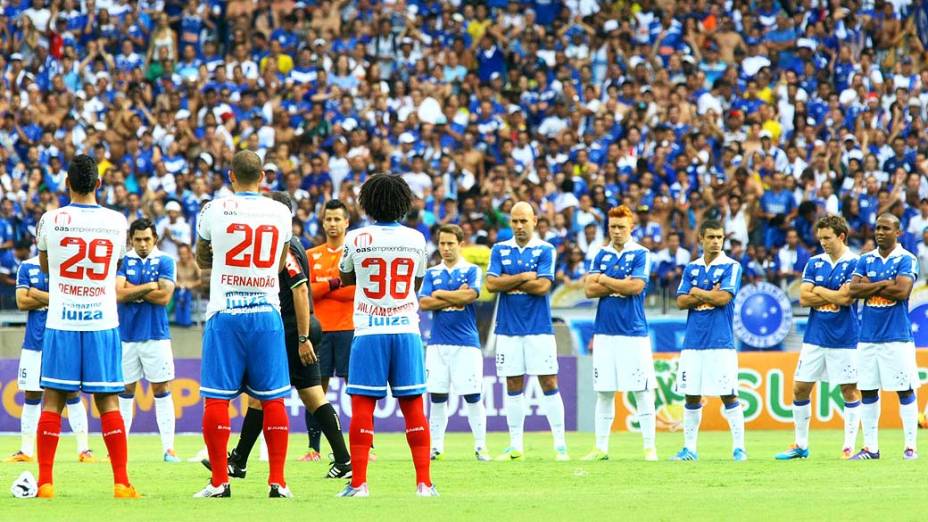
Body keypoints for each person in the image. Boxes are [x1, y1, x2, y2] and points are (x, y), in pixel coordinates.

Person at [204, 191, 352, 481]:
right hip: (300, 325)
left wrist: (302, 337)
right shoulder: (292, 244)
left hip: (292, 327)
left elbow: (300, 289)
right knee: (307, 396)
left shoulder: (287, 248)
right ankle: (342, 459)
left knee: (268, 396)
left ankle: (240, 461)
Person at [27, 154, 138, 498]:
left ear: (67, 183)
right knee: (108, 402)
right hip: (102, 320)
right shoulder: (117, 222)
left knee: (53, 401)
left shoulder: (50, 219)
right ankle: (121, 483)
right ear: (99, 184)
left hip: (61, 320)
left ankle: (45, 483)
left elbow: (45, 266)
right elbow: (115, 265)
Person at [194, 150, 294, 498]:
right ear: (263, 177)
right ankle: (278, 482)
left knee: (217, 399)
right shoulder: (281, 212)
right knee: (274, 398)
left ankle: (220, 481)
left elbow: (202, 257)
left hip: (225, 313)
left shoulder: (214, 209)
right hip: (266, 311)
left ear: (230, 176)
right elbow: (280, 263)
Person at [336, 174, 434, 497]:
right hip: (406, 329)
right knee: (414, 407)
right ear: (404, 202)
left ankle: (359, 484)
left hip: (369, 330)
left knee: (363, 406)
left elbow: (346, 275)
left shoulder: (356, 238)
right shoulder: (417, 239)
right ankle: (424, 483)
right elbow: (416, 283)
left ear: (368, 204)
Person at [487, 201, 568, 461]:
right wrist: (524, 277)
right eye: (515, 221)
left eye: (524, 221)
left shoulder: (546, 249)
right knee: (512, 383)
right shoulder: (499, 249)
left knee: (548, 381)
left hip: (539, 329)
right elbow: (491, 284)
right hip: (508, 329)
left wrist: (508, 281)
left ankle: (560, 445)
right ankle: (515, 445)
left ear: (535, 221)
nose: (519, 226)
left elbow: (543, 286)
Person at [775, 215, 861, 460]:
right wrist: (832, 293)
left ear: (841, 236)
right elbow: (803, 298)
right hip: (814, 337)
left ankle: (848, 446)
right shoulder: (814, 262)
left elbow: (847, 299)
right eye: (820, 237)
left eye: (827, 237)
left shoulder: (855, 263)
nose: (823, 242)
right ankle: (801, 445)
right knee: (800, 388)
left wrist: (820, 291)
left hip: (844, 337)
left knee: (849, 390)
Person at [582, 205, 657, 461]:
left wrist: (604, 280)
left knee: (642, 391)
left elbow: (635, 287)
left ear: (631, 227)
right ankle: (601, 448)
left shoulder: (641, 253)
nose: (616, 231)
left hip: (633, 333)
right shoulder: (600, 254)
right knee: (603, 391)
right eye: (612, 227)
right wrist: (616, 284)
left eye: (621, 227)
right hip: (604, 332)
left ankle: (649, 448)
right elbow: (588, 290)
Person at [7, 250, 95, 464]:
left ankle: (84, 450)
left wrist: (36, 293)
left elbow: (71, 300)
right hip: (34, 342)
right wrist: (54, 298)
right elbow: (21, 302)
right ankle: (26, 451)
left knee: (72, 393)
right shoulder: (27, 266)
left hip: (63, 340)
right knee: (31, 395)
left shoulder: (67, 266)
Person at [847, 213, 920, 460]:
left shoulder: (907, 259)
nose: (879, 232)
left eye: (885, 228)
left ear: (897, 232)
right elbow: (853, 290)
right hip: (867, 338)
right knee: (867, 391)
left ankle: (910, 447)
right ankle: (871, 448)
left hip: (897, 337)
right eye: (877, 228)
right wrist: (883, 283)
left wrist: (872, 284)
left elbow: (902, 291)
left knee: (905, 390)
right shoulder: (865, 259)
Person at [672, 219, 746, 462]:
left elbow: (724, 298)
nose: (716, 241)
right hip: (693, 342)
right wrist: (709, 294)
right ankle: (690, 449)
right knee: (691, 395)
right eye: (711, 237)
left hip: (720, 341)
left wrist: (698, 292)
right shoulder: (691, 268)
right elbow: (680, 301)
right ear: (700, 239)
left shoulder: (731, 266)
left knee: (728, 394)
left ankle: (739, 448)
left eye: (720, 237)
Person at [419, 223, 489, 461]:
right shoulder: (432, 273)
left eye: (450, 243)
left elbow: (471, 296)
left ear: (461, 244)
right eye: (442, 243)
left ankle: (481, 447)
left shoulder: (471, 271)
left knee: (472, 395)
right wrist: (454, 296)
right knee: (437, 396)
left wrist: (440, 295)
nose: (446, 248)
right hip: (438, 343)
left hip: (466, 344)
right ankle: (436, 447)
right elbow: (424, 303)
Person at [115, 218, 179, 463]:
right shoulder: (124, 260)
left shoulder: (165, 260)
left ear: (155, 239)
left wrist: (134, 288)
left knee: (161, 388)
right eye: (138, 239)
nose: (142, 244)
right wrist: (149, 285)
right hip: (127, 335)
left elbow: (164, 297)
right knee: (125, 390)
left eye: (147, 239)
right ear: (131, 239)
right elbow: (118, 294)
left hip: (156, 334)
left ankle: (169, 448)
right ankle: (121, 449)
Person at [305, 199, 356, 462]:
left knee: (356, 388)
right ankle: (314, 448)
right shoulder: (311, 255)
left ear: (347, 222)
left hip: (349, 328)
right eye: (329, 219)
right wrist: (336, 284)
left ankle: (364, 448)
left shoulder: (354, 252)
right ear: (323, 222)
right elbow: (308, 294)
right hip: (320, 331)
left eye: (338, 219)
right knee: (315, 388)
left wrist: (326, 286)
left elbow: (355, 291)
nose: (333, 224)